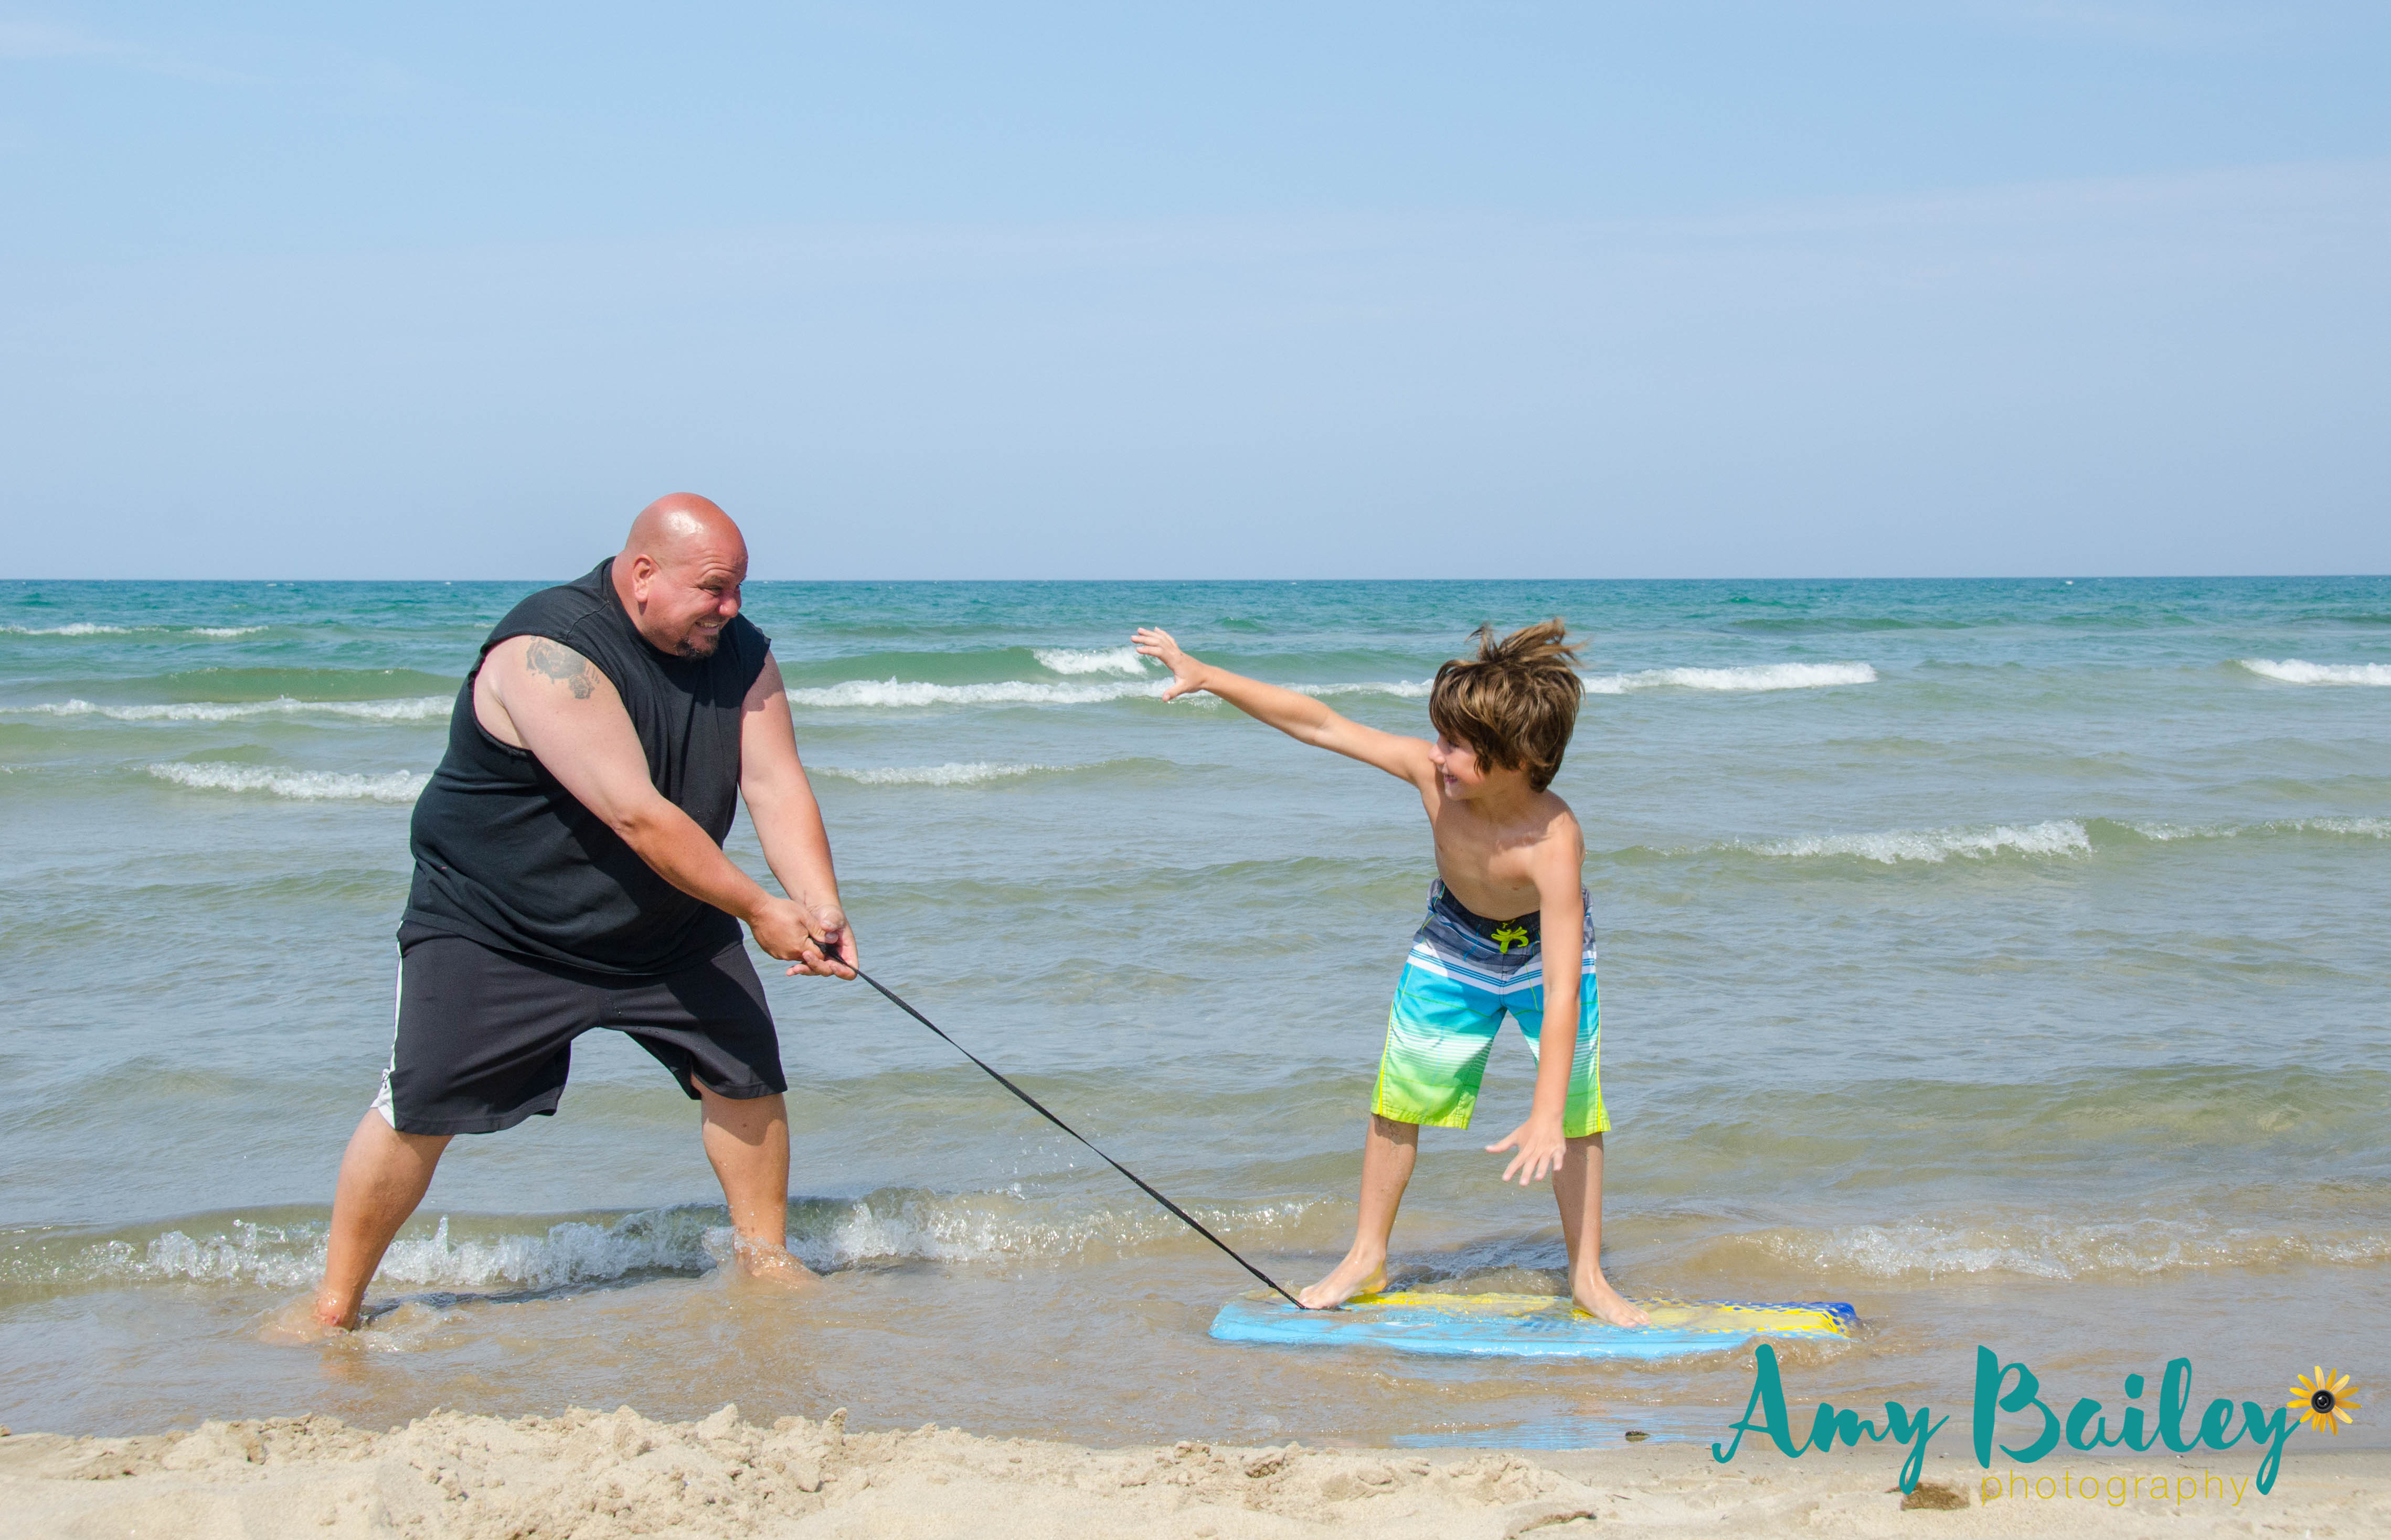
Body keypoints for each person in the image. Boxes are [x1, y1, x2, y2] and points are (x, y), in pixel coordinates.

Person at [286, 494, 856, 1336]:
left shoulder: (741, 652)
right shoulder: (548, 652)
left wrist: (815, 902)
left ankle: (764, 1263)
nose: (731, 607)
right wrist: (756, 910)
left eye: (739, 588)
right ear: (642, 574)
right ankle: (334, 1308)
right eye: (713, 588)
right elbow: (636, 814)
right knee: (421, 1104)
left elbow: (774, 783)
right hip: (500, 925)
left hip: (667, 920)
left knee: (746, 1076)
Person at [1131, 619, 1647, 1324]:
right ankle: (1367, 1256)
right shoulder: (1433, 779)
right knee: (1398, 1100)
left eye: (1454, 745)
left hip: (1541, 957)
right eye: (1439, 738)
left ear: (1516, 757)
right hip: (1453, 942)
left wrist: (1545, 1113)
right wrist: (1206, 675)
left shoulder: (1553, 840)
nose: (1436, 754)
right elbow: (1321, 725)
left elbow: (1561, 990)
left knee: (1576, 1116)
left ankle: (1586, 1276)